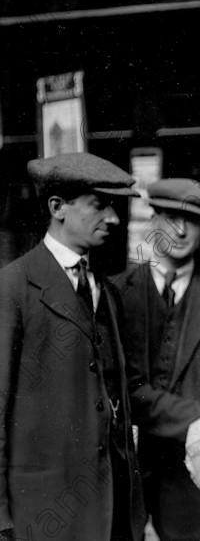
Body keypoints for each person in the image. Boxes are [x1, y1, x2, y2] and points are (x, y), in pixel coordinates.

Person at [0, 152, 146, 541]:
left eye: (113, 207)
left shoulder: (107, 292)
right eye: (99, 206)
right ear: (57, 207)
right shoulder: (14, 286)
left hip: (109, 509)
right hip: (44, 510)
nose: (113, 219)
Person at [117, 178, 200, 541]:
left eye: (191, 220)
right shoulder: (117, 293)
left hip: (188, 474)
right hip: (124, 467)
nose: (179, 229)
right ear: (152, 220)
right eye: (171, 216)